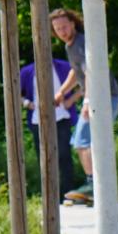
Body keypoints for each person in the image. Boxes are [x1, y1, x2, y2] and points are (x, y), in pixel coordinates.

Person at [19, 58, 74, 197]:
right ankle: (49, 195)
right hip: (38, 120)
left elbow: (82, 80)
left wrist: (71, 100)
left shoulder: (63, 66)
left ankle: (68, 193)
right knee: (44, 157)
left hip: (62, 117)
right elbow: (14, 92)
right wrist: (27, 103)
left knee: (64, 155)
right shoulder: (27, 71)